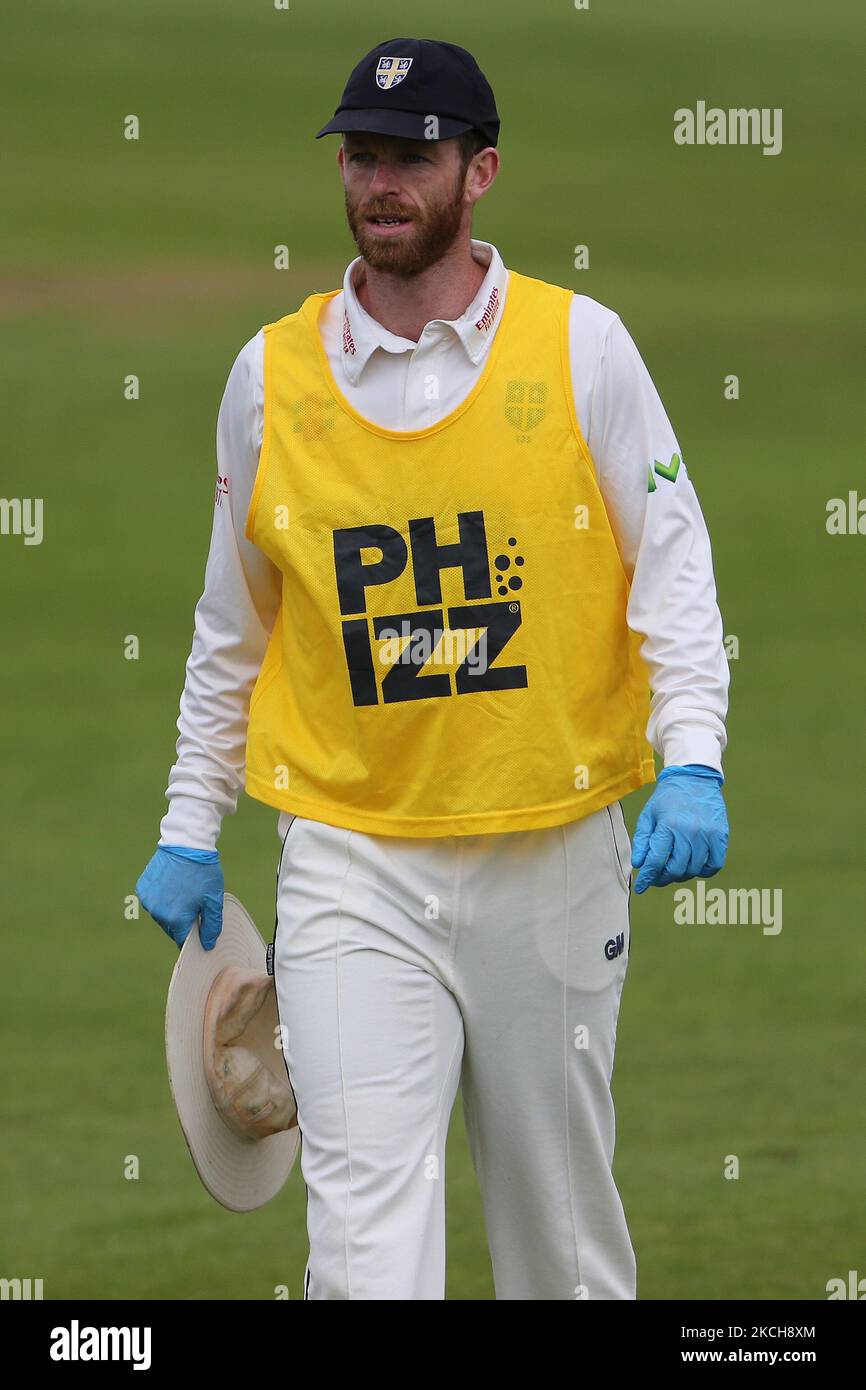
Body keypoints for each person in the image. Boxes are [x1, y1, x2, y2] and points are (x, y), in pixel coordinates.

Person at [137, 37, 729, 1300]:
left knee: (558, 1238)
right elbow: (228, 623)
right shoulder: (269, 377)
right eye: (361, 155)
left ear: (481, 171)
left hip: (554, 853)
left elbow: (671, 567)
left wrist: (692, 760)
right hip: (352, 862)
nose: (380, 182)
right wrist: (192, 823)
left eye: (412, 156)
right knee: (362, 1245)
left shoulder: (583, 350)